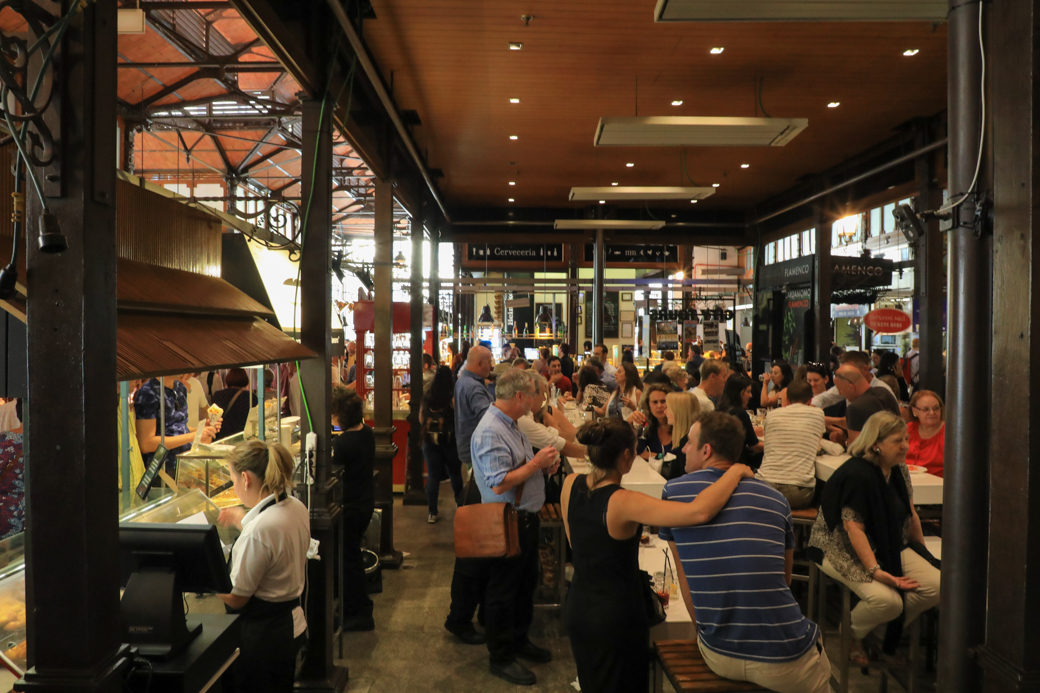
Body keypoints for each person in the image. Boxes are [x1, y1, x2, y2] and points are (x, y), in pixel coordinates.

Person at [561, 418, 751, 693]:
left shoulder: (570, 484)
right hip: (617, 614)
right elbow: (698, 512)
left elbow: (577, 542)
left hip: (579, 604)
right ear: (627, 456)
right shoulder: (624, 501)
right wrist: (734, 473)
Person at [662, 412, 830, 693]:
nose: (682, 449)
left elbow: (686, 581)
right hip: (787, 659)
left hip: (718, 653)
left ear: (706, 450)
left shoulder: (675, 491)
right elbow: (785, 579)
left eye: (688, 443)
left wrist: (708, 635)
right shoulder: (777, 500)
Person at [808, 411, 940, 665]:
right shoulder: (858, 474)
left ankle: (878, 634)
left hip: (887, 542)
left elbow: (910, 514)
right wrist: (876, 571)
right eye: (897, 441)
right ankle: (851, 633)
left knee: (935, 585)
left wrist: (923, 554)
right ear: (876, 444)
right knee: (886, 601)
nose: (905, 446)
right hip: (839, 547)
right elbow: (853, 528)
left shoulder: (898, 469)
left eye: (906, 439)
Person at [470, 369, 561, 686]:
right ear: (520, 396)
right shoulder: (491, 431)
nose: (536, 403)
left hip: (525, 516)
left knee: (524, 585)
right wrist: (537, 464)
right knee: (503, 590)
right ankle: (500, 655)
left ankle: (519, 640)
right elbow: (498, 484)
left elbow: (519, 464)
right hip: (507, 520)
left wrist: (544, 464)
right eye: (534, 395)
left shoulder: (511, 424)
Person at [217, 440, 309, 693]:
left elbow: (236, 598)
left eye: (233, 480)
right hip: (291, 625)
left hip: (264, 638)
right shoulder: (296, 507)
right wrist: (241, 518)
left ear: (245, 478)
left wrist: (201, 577)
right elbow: (270, 540)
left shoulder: (259, 531)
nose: (234, 486)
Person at [445, 344, 495, 644]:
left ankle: (474, 613)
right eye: (488, 361)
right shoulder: (474, 387)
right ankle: (461, 618)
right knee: (474, 549)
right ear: (477, 362)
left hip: (474, 462)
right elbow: (491, 417)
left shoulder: (468, 381)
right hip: (475, 464)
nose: (492, 365)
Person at [329, 387, 376, 631]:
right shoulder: (366, 432)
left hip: (350, 508)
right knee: (351, 557)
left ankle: (357, 612)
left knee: (348, 561)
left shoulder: (343, 443)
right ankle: (357, 607)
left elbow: (331, 471)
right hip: (363, 503)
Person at [134, 375, 219, 481]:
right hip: (162, 469)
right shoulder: (148, 393)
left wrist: (202, 429)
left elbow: (177, 427)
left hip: (185, 466)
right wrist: (193, 436)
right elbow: (146, 444)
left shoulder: (180, 388)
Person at [758, 379, 826, 509]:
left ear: (787, 400)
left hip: (764, 486)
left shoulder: (772, 415)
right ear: (811, 400)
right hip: (799, 492)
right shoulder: (818, 414)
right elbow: (818, 441)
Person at [421, 366, 464, 523]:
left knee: (433, 475)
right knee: (455, 474)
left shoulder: (428, 395)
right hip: (450, 441)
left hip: (431, 442)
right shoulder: (453, 397)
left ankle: (432, 512)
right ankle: (460, 507)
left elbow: (421, 418)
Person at [517, 375, 587, 460]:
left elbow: (555, 435)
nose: (544, 398)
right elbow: (557, 443)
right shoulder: (522, 419)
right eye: (543, 394)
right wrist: (592, 453)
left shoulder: (527, 415)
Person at [834, 364, 900, 443]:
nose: (840, 393)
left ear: (850, 387)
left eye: (840, 389)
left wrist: (844, 442)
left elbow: (856, 449)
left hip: (872, 454)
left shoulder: (854, 408)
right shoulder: (885, 392)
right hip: (897, 450)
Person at [811, 350, 894, 410]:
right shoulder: (846, 384)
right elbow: (824, 398)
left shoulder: (882, 390)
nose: (845, 374)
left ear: (865, 369)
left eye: (849, 370)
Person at [716, 373, 763, 468]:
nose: (751, 396)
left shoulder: (719, 409)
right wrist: (775, 444)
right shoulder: (740, 414)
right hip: (737, 464)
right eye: (748, 392)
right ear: (739, 393)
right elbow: (755, 447)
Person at [629, 384, 674, 460]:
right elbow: (637, 451)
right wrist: (629, 423)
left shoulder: (678, 426)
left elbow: (677, 458)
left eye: (663, 401)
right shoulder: (648, 425)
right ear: (648, 405)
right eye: (655, 402)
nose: (659, 406)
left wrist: (655, 456)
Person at [212, 368, 259, 439]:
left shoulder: (218, 395)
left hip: (221, 437)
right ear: (245, 379)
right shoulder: (250, 397)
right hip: (242, 436)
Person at [906, 390, 945, 477]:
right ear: (914, 411)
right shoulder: (908, 429)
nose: (932, 413)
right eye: (926, 409)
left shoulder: (949, 433)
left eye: (936, 408)